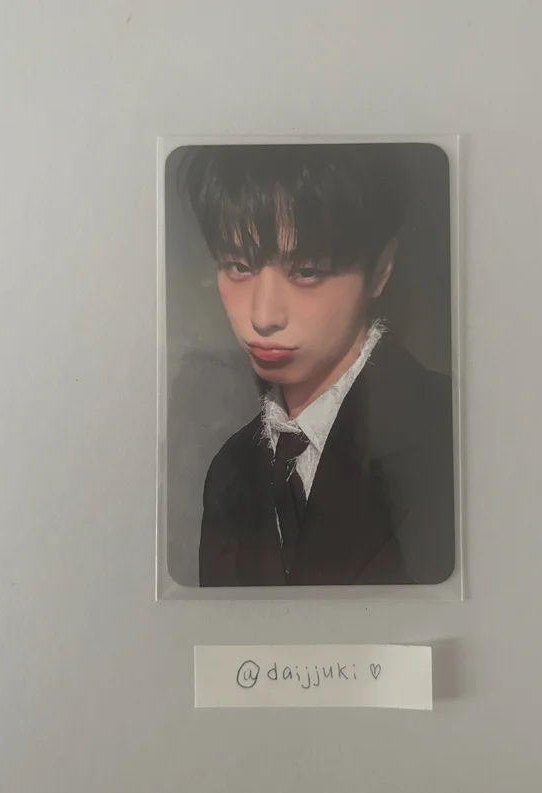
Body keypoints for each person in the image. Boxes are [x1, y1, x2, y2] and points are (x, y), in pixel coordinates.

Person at [186, 143, 455, 586]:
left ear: (381, 269)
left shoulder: (454, 433)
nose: (263, 317)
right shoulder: (230, 470)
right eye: (238, 265)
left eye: (307, 270)